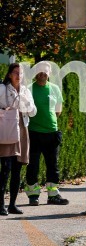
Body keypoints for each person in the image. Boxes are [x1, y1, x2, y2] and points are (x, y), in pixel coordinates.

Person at [24, 63, 68, 206]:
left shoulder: (54, 89)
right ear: (35, 73)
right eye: (40, 71)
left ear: (49, 73)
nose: (42, 74)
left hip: (52, 133)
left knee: (53, 166)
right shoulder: (29, 90)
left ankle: (53, 195)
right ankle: (33, 195)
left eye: (45, 71)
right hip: (34, 133)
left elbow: (58, 111)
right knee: (33, 166)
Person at [0, 64, 36, 215]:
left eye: (21, 73)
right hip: (7, 130)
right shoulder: (2, 89)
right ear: (9, 75)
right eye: (15, 73)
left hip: (22, 130)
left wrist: (25, 103)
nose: (18, 76)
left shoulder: (26, 90)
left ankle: (12, 205)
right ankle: (0, 204)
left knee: (17, 169)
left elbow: (33, 111)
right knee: (6, 169)